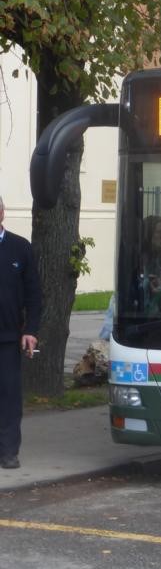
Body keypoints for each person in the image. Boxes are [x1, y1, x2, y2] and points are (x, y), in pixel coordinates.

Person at [0, 195, 41, 470]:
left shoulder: (20, 248)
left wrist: (31, 330)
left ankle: (8, 452)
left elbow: (34, 294)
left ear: (2, 212)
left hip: (8, 338)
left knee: (9, 396)